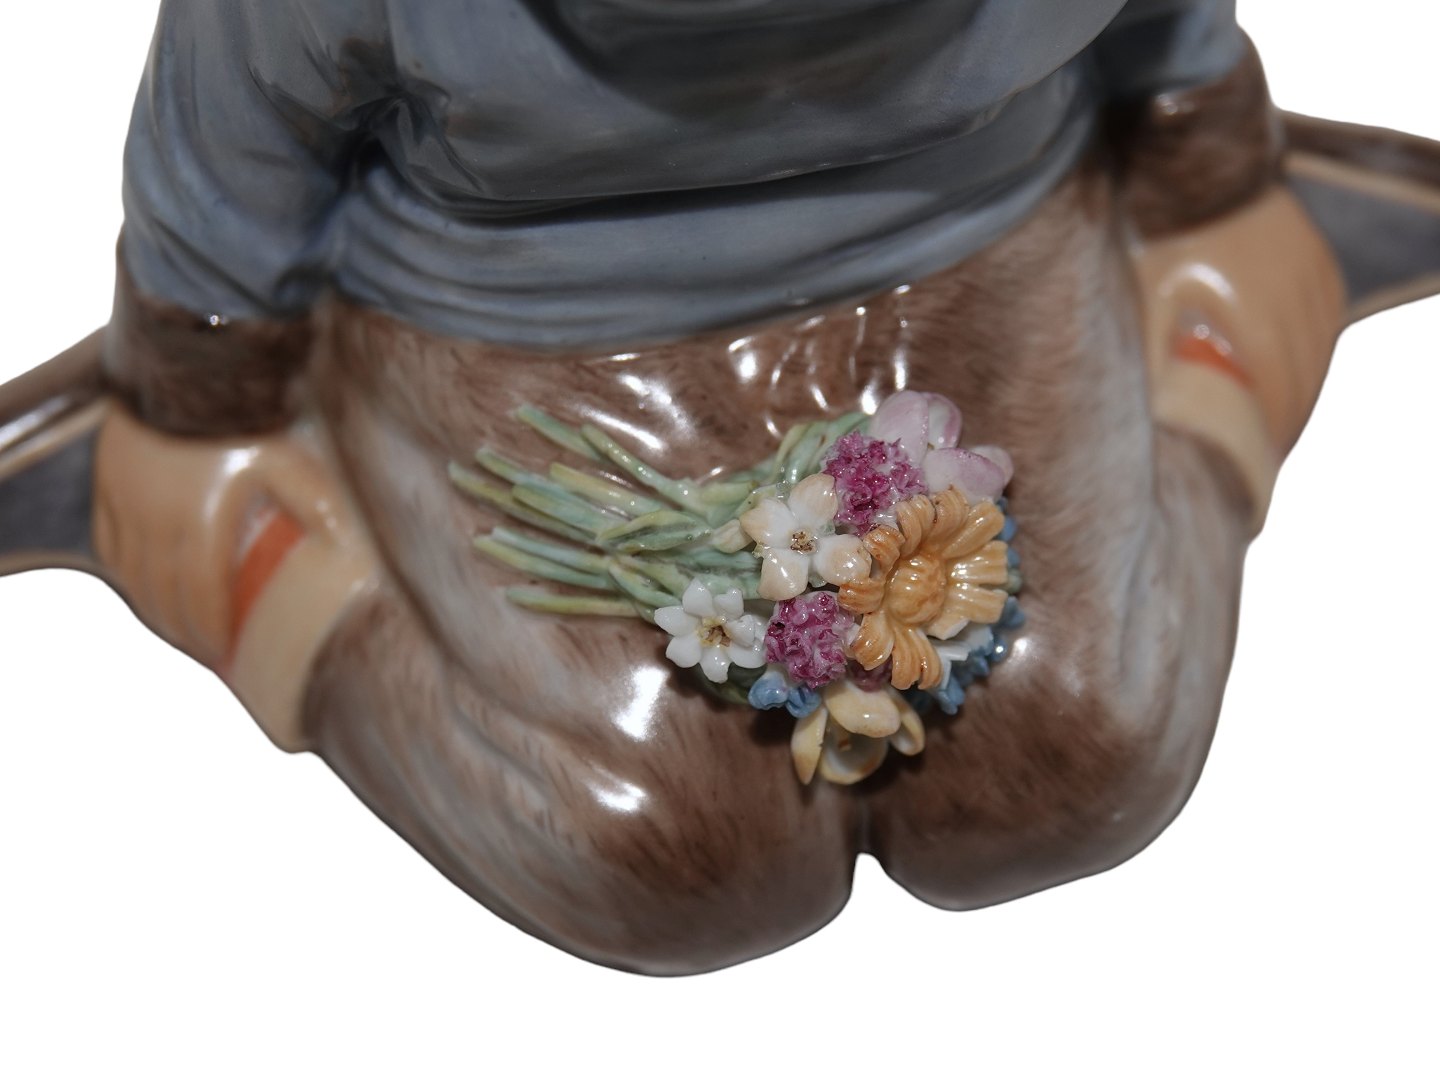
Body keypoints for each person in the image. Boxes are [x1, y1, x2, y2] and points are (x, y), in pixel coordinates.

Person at [0, 0, 1430, 972]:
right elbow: (237, 135)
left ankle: (1226, 336)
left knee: (1076, 765)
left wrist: (1201, 156)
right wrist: (203, 383)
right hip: (530, 333)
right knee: (657, 848)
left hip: (978, 243)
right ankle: (265, 565)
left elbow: (1166, 35)